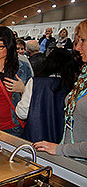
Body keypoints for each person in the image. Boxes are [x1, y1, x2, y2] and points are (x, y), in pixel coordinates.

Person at [33, 19, 87, 162]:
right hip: (72, 161)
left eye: (83, 40)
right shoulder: (83, 77)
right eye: (77, 42)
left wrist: (59, 149)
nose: (77, 48)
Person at [16, 48, 76, 143]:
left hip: (36, 138)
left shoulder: (35, 83)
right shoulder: (73, 86)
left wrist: (23, 92)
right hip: (62, 142)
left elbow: (22, 113)